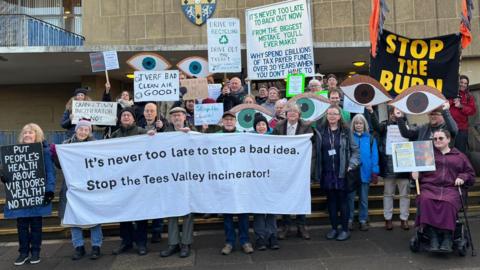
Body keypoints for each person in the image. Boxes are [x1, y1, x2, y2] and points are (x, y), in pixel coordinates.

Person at [1, 123, 56, 265]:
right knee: (22, 225)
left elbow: (50, 172)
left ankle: (35, 252)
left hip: (38, 193)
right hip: (21, 195)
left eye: (31, 132)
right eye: (25, 133)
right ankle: (23, 252)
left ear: (37, 135)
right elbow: (11, 172)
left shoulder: (44, 151)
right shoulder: (16, 151)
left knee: (36, 225)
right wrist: (4, 176)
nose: (27, 135)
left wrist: (49, 191)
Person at [413, 129, 475, 252]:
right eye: (435, 139)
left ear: (448, 140)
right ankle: (433, 237)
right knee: (425, 199)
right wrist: (415, 174)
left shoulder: (459, 156)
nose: (437, 141)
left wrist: (462, 177)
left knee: (448, 202)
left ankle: (447, 237)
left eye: (441, 138)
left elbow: (470, 174)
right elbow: (419, 173)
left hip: (451, 188)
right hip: (430, 187)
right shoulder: (427, 154)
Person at [55, 119, 103, 260]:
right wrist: (55, 155)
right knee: (73, 216)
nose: (83, 132)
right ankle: (78, 247)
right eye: (81, 129)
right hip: (72, 187)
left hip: (90, 186)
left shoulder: (96, 145)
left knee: (94, 216)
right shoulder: (66, 145)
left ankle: (96, 246)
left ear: (90, 131)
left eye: (86, 130)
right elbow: (59, 166)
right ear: (76, 130)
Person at [314, 105, 360, 241]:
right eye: (329, 114)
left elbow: (356, 151)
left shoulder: (346, 131)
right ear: (326, 116)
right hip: (327, 172)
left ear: (340, 116)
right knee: (331, 202)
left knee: (343, 202)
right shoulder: (320, 132)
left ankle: (345, 229)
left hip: (342, 173)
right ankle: (334, 228)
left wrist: (351, 165)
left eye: (335, 113)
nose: (332, 116)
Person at [111, 107, 152, 256]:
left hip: (140, 180)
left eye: (129, 115)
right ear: (120, 119)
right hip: (122, 181)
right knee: (124, 213)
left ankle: (141, 243)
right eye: (124, 115)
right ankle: (126, 241)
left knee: (140, 213)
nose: (126, 117)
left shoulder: (142, 132)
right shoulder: (114, 135)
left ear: (134, 119)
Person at [366, 106, 411, 230]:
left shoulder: (409, 127)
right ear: (390, 114)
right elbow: (376, 126)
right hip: (388, 165)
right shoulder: (384, 126)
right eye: (392, 113)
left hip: (404, 164)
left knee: (405, 194)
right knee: (388, 193)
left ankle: (404, 218)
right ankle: (388, 218)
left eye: (398, 112)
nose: (395, 115)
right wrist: (371, 112)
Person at [273, 103, 313, 240]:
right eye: (289, 111)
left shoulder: (306, 127)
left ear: (299, 114)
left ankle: (301, 226)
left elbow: (311, 148)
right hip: (284, 168)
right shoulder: (278, 127)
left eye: (295, 112)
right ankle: (286, 226)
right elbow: (273, 146)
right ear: (285, 114)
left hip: (300, 168)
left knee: (301, 196)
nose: (292, 114)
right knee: (286, 196)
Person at [160, 107, 195, 258]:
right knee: (172, 211)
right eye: (173, 115)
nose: (176, 118)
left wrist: (193, 135)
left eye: (179, 115)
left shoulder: (193, 132)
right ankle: (173, 243)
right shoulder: (164, 135)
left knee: (187, 211)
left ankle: (186, 243)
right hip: (171, 179)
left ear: (184, 117)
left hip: (188, 178)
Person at [218, 111, 254, 255]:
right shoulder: (216, 137)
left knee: (243, 214)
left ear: (235, 122)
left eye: (231, 119)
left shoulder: (243, 137)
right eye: (226, 120)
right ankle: (229, 242)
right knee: (227, 215)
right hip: (224, 182)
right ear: (222, 122)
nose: (228, 122)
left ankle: (245, 241)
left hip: (241, 182)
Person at [251, 113, 279, 251]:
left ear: (266, 126)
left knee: (271, 210)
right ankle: (260, 238)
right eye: (258, 125)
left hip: (271, 179)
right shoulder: (249, 141)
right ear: (255, 127)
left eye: (263, 124)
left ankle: (272, 235)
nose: (261, 127)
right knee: (259, 211)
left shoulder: (273, 139)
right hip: (256, 181)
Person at [347, 114, 379, 231]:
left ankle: (363, 220)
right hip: (352, 173)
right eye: (356, 123)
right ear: (353, 125)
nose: (358, 125)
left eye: (361, 123)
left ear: (364, 124)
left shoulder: (370, 138)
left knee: (364, 199)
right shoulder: (349, 137)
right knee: (350, 198)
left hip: (365, 172)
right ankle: (349, 219)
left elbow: (374, 156)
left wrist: (375, 171)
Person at [449, 75, 477, 153]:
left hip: (461, 130)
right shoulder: (450, 93)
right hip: (448, 128)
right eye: (461, 82)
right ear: (457, 83)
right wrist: (452, 101)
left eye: (465, 83)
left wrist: (461, 106)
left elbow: (472, 111)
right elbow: (443, 106)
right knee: (448, 152)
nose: (463, 85)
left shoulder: (469, 97)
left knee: (460, 153)